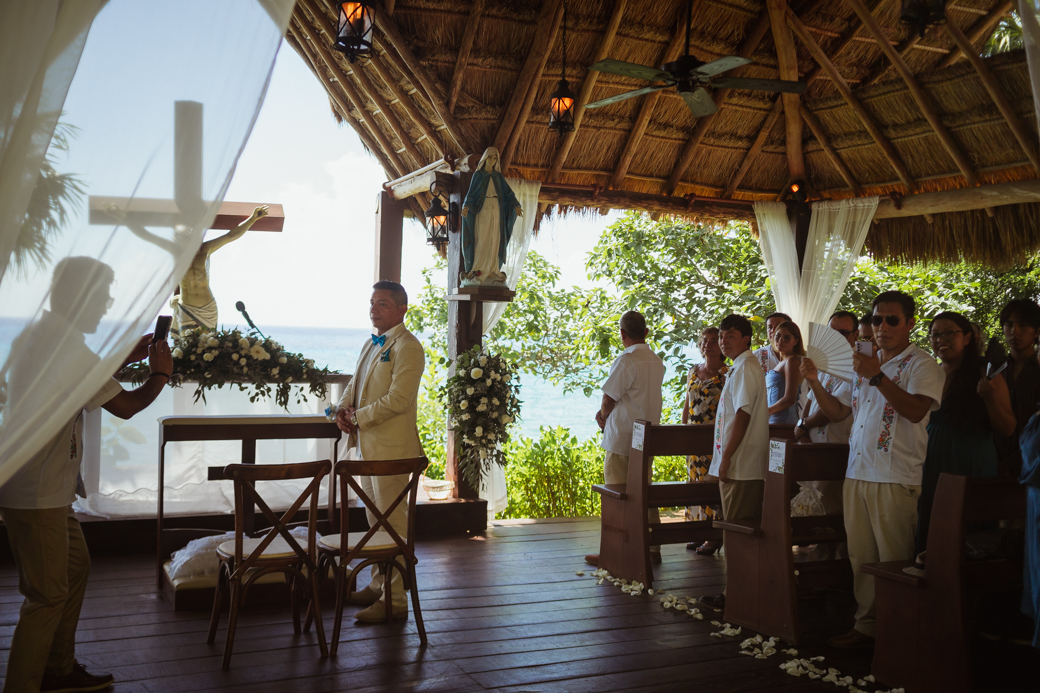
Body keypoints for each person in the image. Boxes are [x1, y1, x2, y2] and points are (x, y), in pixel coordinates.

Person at [0, 257, 173, 693]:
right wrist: (160, 373)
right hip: (36, 491)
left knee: (75, 566)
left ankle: (58, 669)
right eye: (103, 295)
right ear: (80, 296)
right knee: (45, 596)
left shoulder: (47, 337)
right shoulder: (65, 346)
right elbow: (127, 406)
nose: (107, 303)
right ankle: (24, 684)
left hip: (46, 489)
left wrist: (122, 360)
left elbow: (74, 385)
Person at [805, 291, 944, 649]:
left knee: (893, 558)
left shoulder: (922, 364)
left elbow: (915, 412)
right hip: (857, 471)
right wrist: (816, 382)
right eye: (878, 319)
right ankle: (867, 627)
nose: (882, 327)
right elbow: (838, 414)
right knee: (862, 557)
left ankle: (899, 633)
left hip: (895, 475)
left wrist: (878, 376)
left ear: (910, 324)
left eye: (892, 320)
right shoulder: (864, 361)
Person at [334, 280, 425, 622]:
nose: (374, 308)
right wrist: (341, 413)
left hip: (393, 452)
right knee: (375, 525)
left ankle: (396, 602)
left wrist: (358, 417)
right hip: (368, 451)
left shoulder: (408, 347)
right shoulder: (370, 343)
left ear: (403, 309)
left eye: (383, 303)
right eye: (372, 302)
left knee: (394, 526)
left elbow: (399, 400)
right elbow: (354, 388)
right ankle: (378, 585)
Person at [915, 312, 1014, 552]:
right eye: (935, 334)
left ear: (967, 338)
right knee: (931, 524)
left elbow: (1008, 427)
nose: (941, 339)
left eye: (949, 333)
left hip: (970, 460)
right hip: (931, 461)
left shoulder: (985, 372)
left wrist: (989, 398)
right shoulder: (930, 372)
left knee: (966, 529)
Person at [699, 314, 770, 611]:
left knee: (737, 533)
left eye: (731, 336)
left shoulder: (745, 368)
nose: (723, 341)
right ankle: (739, 591)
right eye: (722, 336)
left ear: (746, 339)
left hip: (741, 464)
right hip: (739, 462)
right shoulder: (741, 367)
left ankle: (739, 595)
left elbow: (743, 415)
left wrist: (726, 457)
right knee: (735, 530)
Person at [585, 311, 666, 567]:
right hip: (648, 436)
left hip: (623, 437)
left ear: (622, 334)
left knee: (616, 494)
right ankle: (652, 547)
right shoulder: (656, 360)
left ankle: (614, 550)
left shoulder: (627, 359)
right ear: (646, 332)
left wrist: (602, 416)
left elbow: (609, 397)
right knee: (645, 490)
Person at [797, 311, 859, 551]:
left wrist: (805, 425)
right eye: (832, 331)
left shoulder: (857, 366)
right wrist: (801, 428)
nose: (837, 337)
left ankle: (828, 573)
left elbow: (832, 411)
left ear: (854, 334)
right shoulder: (823, 364)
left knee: (831, 510)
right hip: (816, 448)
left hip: (837, 448)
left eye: (843, 332)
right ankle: (820, 568)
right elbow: (811, 400)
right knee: (818, 510)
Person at [168, 205, 269, 336]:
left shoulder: (205, 249)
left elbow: (231, 235)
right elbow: (149, 237)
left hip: (207, 308)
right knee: (188, 346)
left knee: (207, 346)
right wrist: (133, 222)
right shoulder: (176, 254)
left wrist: (252, 219)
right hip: (187, 306)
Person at [682, 326, 727, 555]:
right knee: (694, 484)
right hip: (693, 434)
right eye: (704, 341)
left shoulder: (727, 373)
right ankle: (698, 529)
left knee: (710, 484)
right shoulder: (693, 371)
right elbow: (687, 403)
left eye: (713, 340)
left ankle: (713, 535)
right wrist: (683, 431)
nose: (708, 344)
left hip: (714, 436)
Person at [460, 147, 522, 286]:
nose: (492, 161)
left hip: (497, 210)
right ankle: (477, 269)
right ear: (484, 158)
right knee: (482, 238)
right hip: (482, 210)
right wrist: (466, 207)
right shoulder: (478, 176)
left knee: (495, 238)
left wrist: (516, 206)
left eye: (495, 158)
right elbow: (471, 195)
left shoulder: (498, 177)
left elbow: (508, 194)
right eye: (490, 157)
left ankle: (493, 269)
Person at [997, 299, 1040, 477]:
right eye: (1009, 325)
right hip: (997, 459)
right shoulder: (996, 369)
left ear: (1037, 331)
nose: (1015, 331)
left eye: (1023, 325)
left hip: (1034, 461)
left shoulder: (1037, 369)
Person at [767, 320, 804, 425]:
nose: (781, 340)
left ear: (796, 341)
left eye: (787, 338)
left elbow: (790, 399)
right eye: (778, 336)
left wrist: (766, 412)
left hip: (783, 421)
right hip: (774, 420)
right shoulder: (783, 362)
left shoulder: (792, 361)